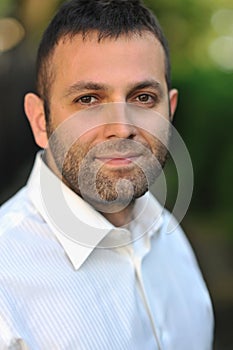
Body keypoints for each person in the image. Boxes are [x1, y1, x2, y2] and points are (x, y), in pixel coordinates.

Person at [0, 0, 214, 349]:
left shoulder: (168, 235)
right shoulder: (5, 285)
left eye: (143, 98)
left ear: (169, 111)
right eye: (88, 99)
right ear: (41, 121)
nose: (122, 127)